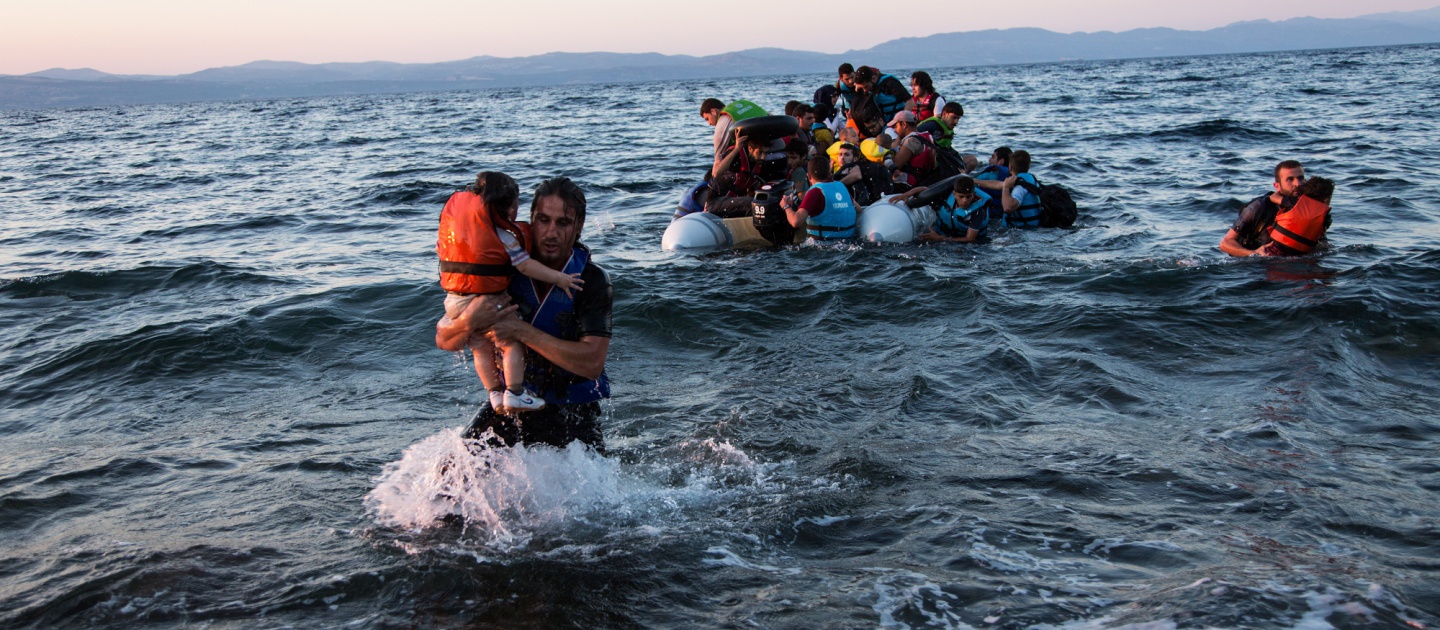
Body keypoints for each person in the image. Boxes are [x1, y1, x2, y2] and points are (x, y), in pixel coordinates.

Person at [437, 177, 613, 452]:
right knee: (448, 477)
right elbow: (445, 341)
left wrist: (519, 331)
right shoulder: (503, 268)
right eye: (543, 220)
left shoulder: (591, 281)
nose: (551, 232)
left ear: (579, 227)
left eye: (562, 223)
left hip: (571, 409)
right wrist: (469, 321)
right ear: (529, 220)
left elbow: (591, 363)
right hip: (511, 404)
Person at [1219, 160, 1324, 257]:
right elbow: (1225, 243)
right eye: (1290, 179)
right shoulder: (1259, 207)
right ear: (1277, 186)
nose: (1297, 184)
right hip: (1257, 268)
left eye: (1300, 178)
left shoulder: (1310, 210)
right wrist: (1254, 253)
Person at [781, 155, 857, 240]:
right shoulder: (841, 186)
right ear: (829, 173)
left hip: (822, 247)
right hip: (847, 243)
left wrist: (786, 206)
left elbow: (795, 222)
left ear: (809, 176)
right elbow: (858, 209)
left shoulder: (815, 192)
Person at [1260, 176, 1334, 256]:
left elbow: (1273, 197)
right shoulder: (1326, 217)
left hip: (1273, 250)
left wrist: (1280, 190)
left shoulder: (1294, 202)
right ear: (1326, 200)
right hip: (1300, 255)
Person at [706, 134, 772, 216]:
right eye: (760, 152)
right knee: (753, 204)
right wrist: (737, 148)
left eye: (765, 153)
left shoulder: (757, 163)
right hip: (716, 201)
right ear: (750, 148)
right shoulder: (736, 155)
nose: (763, 157)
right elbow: (716, 173)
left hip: (733, 200)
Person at [976, 149, 1042, 228]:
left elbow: (1008, 208)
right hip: (1032, 227)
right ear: (1028, 166)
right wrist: (974, 181)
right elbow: (997, 184)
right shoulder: (1029, 179)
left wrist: (1006, 188)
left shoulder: (1019, 186)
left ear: (1010, 167)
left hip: (1023, 231)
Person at [917, 176, 990, 244]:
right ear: (954, 194)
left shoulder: (978, 212)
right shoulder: (946, 194)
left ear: (973, 194)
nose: (965, 200)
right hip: (941, 232)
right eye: (961, 196)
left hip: (967, 243)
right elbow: (927, 191)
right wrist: (908, 194)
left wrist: (941, 238)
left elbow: (970, 238)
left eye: (968, 196)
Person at [849, 66, 912, 139]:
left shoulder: (890, 82)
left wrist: (902, 122)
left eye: (866, 87)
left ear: (873, 78)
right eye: (862, 88)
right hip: (883, 127)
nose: (865, 90)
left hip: (897, 125)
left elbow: (910, 101)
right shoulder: (863, 89)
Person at [700, 97, 766, 158]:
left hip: (755, 156)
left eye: (707, 118)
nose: (709, 123)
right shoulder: (744, 102)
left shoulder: (724, 120)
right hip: (768, 147)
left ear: (713, 111)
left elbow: (718, 159)